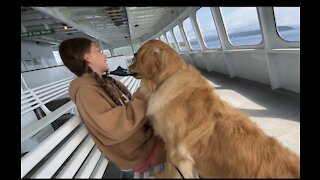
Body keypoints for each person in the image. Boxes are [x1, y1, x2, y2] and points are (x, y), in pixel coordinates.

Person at [58, 38, 166, 175]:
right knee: (196, 136)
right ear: (87, 57)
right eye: (99, 51)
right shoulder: (85, 91)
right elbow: (115, 127)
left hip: (146, 141)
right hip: (140, 154)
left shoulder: (105, 81)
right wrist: (147, 89)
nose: (105, 56)